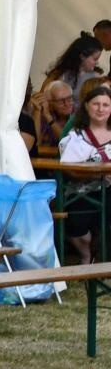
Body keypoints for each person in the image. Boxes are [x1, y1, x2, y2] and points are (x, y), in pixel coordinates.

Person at [58, 85, 111, 263]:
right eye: (96, 104)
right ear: (87, 106)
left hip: (108, 191)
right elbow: (69, 169)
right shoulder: (76, 136)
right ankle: (86, 255)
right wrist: (98, 175)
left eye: (106, 105)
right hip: (82, 191)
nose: (101, 109)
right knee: (77, 227)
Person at [43, 34, 104, 103]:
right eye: (95, 59)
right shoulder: (59, 74)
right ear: (82, 56)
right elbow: (43, 96)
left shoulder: (96, 78)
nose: (97, 62)